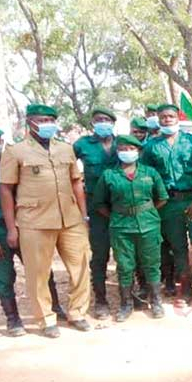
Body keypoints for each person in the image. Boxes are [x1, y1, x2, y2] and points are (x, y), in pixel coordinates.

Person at [0, 103, 92, 338]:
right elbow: (6, 190)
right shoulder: (15, 151)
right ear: (29, 122)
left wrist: (84, 215)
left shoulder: (65, 149)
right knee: (38, 273)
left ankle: (77, 313)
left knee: (80, 266)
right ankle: (46, 319)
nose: (47, 125)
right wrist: (11, 228)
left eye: (51, 120)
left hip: (70, 219)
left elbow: (76, 182)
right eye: (42, 121)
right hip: (34, 220)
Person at [0, 125, 66, 337]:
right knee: (4, 276)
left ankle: (54, 308)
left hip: (26, 225)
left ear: (2, 141)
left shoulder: (17, 163)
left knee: (41, 269)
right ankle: (13, 319)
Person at [93, 135, 169, 321]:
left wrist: (144, 211)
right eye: (123, 149)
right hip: (121, 227)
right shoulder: (109, 175)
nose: (127, 152)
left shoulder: (150, 173)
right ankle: (126, 304)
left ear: (138, 151)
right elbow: (99, 203)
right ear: (117, 152)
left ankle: (156, 301)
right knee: (125, 266)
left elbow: (162, 197)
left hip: (149, 225)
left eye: (131, 149)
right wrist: (118, 216)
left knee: (152, 264)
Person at [141, 104, 192, 306]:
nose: (167, 120)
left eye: (171, 116)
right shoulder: (151, 146)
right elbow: (147, 176)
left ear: (178, 118)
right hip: (168, 204)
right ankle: (185, 289)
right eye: (163, 117)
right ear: (158, 120)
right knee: (178, 248)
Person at [73, 106, 119, 320]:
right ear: (92, 123)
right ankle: (101, 299)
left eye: (106, 119)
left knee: (126, 253)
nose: (102, 123)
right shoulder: (82, 145)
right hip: (95, 207)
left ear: (113, 123)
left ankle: (131, 295)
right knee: (99, 255)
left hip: (122, 206)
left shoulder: (123, 144)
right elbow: (67, 171)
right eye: (98, 119)